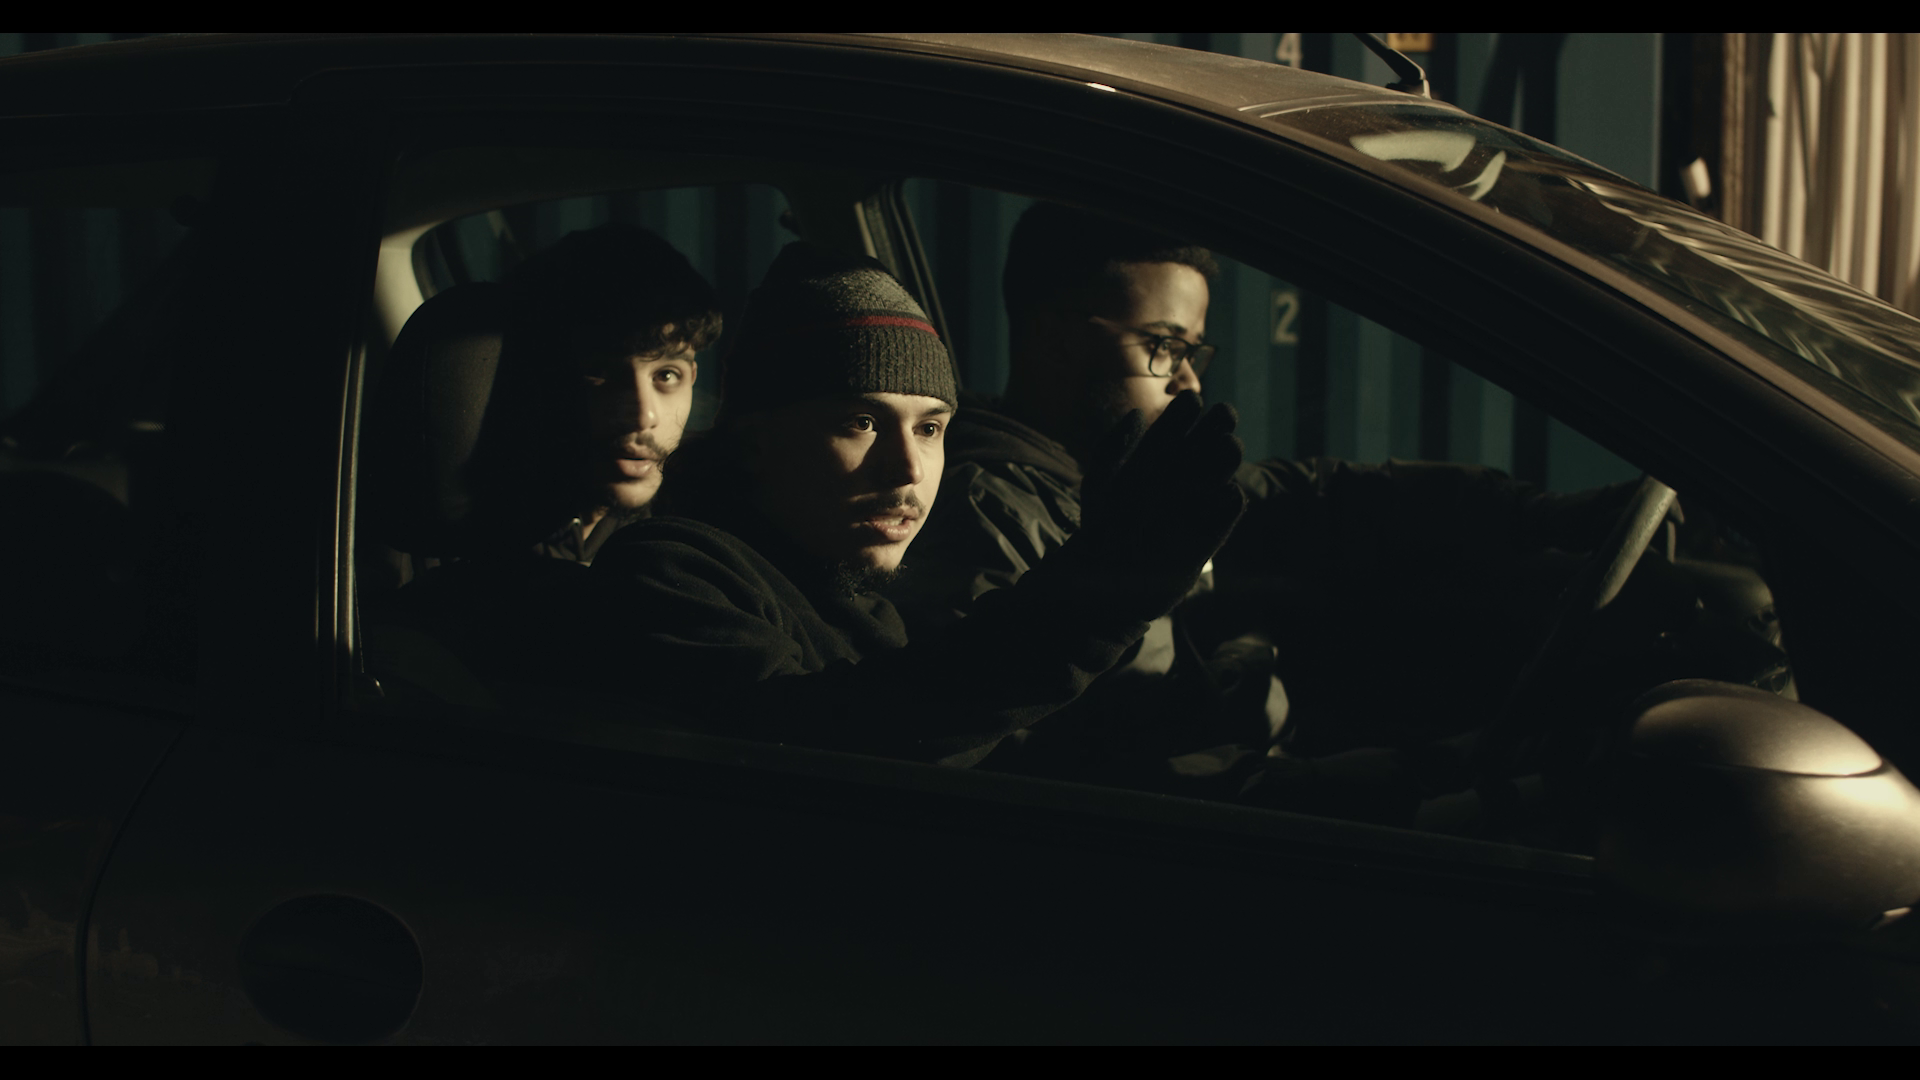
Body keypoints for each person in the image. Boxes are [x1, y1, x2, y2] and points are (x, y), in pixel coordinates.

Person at [890, 202, 1641, 813]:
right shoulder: (991, 522)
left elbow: (1319, 496)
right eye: (1164, 346)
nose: (1189, 381)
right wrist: (1424, 776)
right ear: (1055, 338)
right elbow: (1081, 782)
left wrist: (1542, 514)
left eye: (1192, 353)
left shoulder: (1113, 487)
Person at [575, 241, 1246, 766]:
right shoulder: (667, 576)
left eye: (929, 428)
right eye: (861, 422)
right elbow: (828, 739)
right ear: (755, 443)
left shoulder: (868, 609)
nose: (908, 469)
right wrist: (1096, 593)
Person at [360, 223, 720, 707]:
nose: (642, 415)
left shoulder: (699, 531)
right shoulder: (417, 549)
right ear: (536, 381)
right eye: (599, 373)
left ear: (693, 377)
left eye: (667, 375)